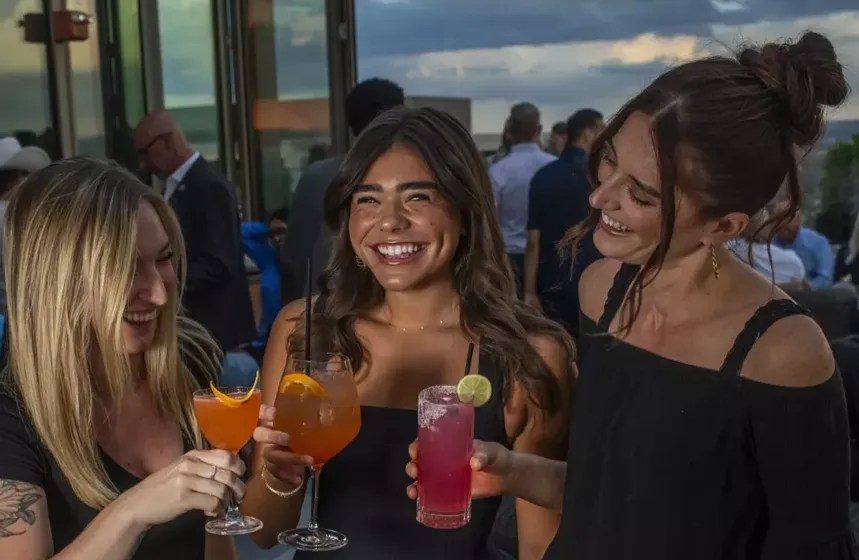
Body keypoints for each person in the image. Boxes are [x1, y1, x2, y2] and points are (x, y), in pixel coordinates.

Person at [407, 31, 855, 559]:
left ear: (724, 224)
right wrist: (513, 470)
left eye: (639, 194)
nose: (599, 196)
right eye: (608, 161)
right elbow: (611, 493)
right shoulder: (602, 288)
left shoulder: (783, 350)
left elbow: (814, 547)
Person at [244, 107, 576, 560]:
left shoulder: (530, 358)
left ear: (466, 209)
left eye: (418, 197)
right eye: (368, 199)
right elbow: (264, 533)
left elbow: (540, 546)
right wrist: (278, 478)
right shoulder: (303, 330)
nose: (390, 221)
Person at [0, 158, 246, 559]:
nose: (159, 294)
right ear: (58, 280)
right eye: (127, 266)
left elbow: (216, 542)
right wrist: (132, 511)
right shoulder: (12, 421)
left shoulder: (189, 361)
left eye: (163, 259)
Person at [133, 110, 256, 355]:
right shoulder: (179, 185)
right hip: (199, 330)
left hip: (213, 333)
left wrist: (165, 282)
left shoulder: (208, 186)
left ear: (167, 141)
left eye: (145, 152)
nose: (143, 163)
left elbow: (219, 262)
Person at [280, 78, 405, 303]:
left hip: (322, 308)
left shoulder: (317, 175)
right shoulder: (414, 174)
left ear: (350, 123)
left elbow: (294, 258)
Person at [524, 109, 604, 334]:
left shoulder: (543, 176)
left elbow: (533, 240)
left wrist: (529, 291)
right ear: (588, 132)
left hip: (550, 278)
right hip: (593, 273)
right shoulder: (599, 175)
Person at [490, 103, 557, 295]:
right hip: (548, 256)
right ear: (539, 130)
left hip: (509, 257)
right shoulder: (553, 167)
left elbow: (491, 220)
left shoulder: (497, 171)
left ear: (510, 129)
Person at [775, 207, 835, 289]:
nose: (782, 223)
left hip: (810, 296)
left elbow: (826, 278)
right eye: (777, 219)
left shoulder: (818, 242)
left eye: (787, 218)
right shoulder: (767, 243)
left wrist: (809, 286)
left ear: (799, 219)